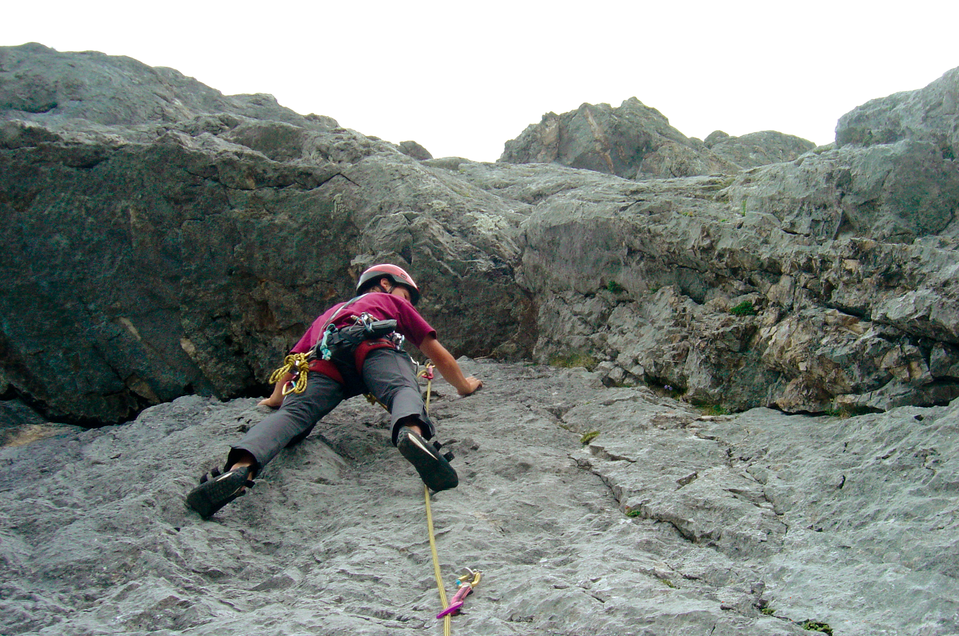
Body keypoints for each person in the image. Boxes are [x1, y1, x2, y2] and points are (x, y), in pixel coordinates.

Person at [186, 263, 483, 519]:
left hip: (324, 362)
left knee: (292, 415)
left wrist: (276, 399)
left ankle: (241, 467)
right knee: (402, 388)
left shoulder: (326, 315)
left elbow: (293, 362)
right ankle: (411, 434)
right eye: (406, 295)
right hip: (373, 346)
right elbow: (437, 353)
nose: (409, 303)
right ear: (385, 284)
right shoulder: (390, 302)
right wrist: (465, 385)